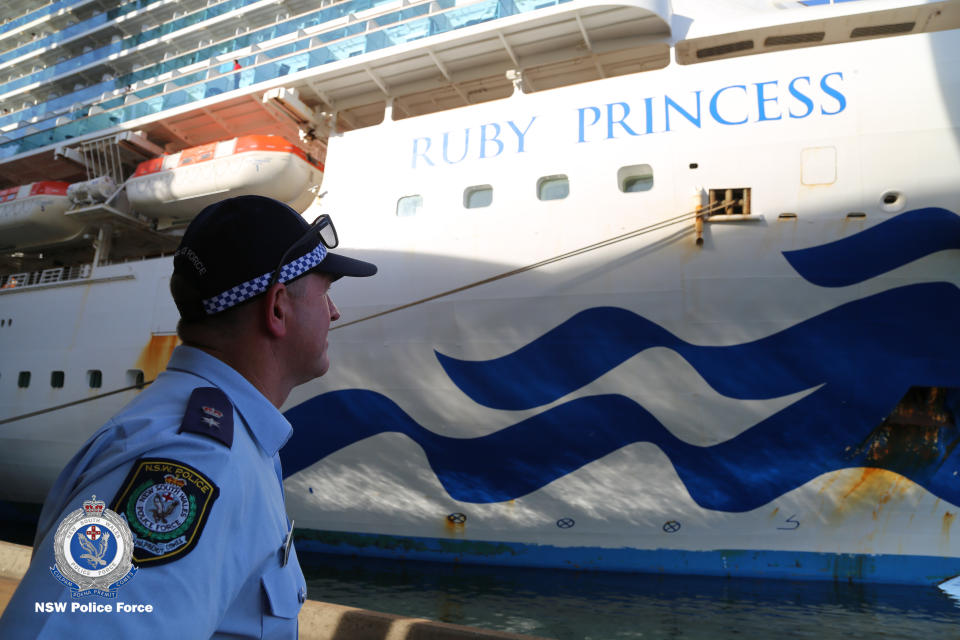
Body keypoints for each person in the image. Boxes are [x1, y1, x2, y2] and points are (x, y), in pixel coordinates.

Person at [0, 195, 377, 638]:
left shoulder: (223, 439)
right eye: (325, 292)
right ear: (277, 308)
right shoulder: (193, 462)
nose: (335, 312)